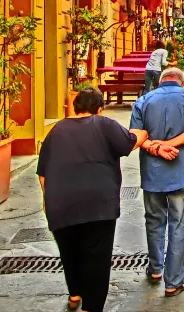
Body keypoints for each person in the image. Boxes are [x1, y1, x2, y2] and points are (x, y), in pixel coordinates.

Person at [37, 87, 154, 312]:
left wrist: (48, 199)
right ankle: (91, 306)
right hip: (99, 203)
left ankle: (75, 294)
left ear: (76, 106)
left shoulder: (56, 131)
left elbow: (43, 174)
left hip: (61, 204)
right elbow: (129, 142)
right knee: (97, 257)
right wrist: (145, 134)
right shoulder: (104, 124)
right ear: (99, 108)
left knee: (69, 252)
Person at [130, 68, 184, 298]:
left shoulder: (143, 100)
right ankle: (173, 281)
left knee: (153, 221)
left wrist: (156, 147)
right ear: (181, 83)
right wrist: (170, 144)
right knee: (180, 224)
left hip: (152, 173)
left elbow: (134, 137)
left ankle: (155, 269)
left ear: (160, 82)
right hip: (182, 171)